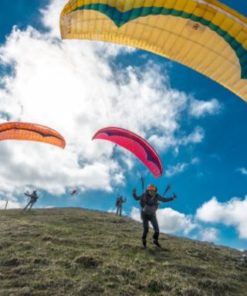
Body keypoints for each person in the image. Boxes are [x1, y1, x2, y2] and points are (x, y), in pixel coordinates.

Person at [132, 184, 176, 248]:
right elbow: (136, 198)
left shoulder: (157, 196)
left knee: (157, 230)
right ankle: (143, 239)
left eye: (153, 191)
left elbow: (164, 199)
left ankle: (155, 240)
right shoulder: (144, 195)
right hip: (145, 215)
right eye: (150, 191)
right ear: (148, 190)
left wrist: (172, 198)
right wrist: (134, 193)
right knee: (146, 229)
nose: (152, 192)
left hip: (152, 215)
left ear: (155, 191)